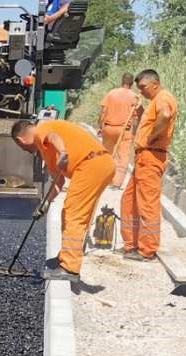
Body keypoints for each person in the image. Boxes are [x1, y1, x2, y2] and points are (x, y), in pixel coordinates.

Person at [11, 118, 115, 280]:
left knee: (72, 214)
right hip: (102, 164)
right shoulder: (46, 150)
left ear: (21, 140)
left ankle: (69, 268)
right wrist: (45, 204)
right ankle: (66, 256)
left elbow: (53, 137)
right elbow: (58, 181)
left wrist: (63, 153)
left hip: (89, 165)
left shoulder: (41, 130)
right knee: (79, 214)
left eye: (21, 147)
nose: (25, 150)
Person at [121, 69, 178, 261]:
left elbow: (165, 114)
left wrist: (152, 137)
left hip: (151, 156)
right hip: (144, 158)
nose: (142, 92)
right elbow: (155, 119)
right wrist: (140, 113)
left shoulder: (163, 98)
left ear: (155, 83)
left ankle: (147, 250)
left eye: (144, 87)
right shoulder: (155, 101)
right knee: (129, 201)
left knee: (147, 205)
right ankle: (132, 245)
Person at [97, 73, 140, 188]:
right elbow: (135, 117)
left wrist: (100, 126)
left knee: (107, 153)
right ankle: (116, 183)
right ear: (132, 83)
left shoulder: (111, 93)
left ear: (122, 81)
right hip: (124, 130)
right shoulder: (134, 97)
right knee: (123, 156)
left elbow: (103, 111)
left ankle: (104, 179)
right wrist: (134, 132)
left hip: (109, 128)